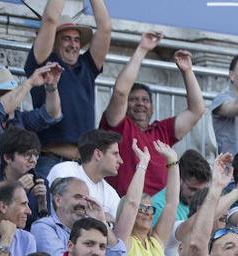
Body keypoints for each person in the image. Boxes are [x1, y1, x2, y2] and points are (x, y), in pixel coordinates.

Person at [99, 31, 203, 196]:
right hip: (123, 206)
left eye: (145, 100)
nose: (140, 103)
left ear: (153, 108)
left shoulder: (162, 131)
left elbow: (196, 111)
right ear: (125, 105)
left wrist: (187, 71)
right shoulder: (118, 126)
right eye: (133, 99)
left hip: (156, 210)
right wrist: (142, 49)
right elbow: (120, 91)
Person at [22, 0, 112, 177]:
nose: (73, 44)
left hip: (84, 165)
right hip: (51, 161)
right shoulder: (44, 63)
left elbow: (105, 28)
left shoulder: (87, 66)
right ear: (53, 41)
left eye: (77, 39)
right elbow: (50, 19)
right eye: (66, 39)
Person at [45, 129, 123, 220]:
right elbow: (63, 213)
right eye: (115, 154)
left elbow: (118, 228)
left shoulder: (111, 193)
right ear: (98, 154)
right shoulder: (65, 170)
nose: (121, 161)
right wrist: (102, 217)